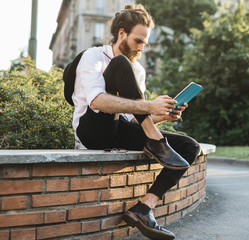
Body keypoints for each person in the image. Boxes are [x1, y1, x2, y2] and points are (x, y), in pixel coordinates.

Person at [72, 4, 200, 240]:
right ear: (122, 33)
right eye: (138, 41)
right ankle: (156, 142)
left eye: (145, 43)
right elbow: (97, 102)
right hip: (92, 129)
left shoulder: (137, 70)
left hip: (119, 128)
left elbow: (134, 117)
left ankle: (143, 209)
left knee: (190, 146)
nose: (141, 47)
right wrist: (149, 105)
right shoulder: (93, 56)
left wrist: (163, 114)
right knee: (120, 64)